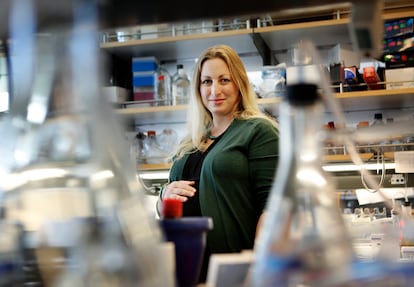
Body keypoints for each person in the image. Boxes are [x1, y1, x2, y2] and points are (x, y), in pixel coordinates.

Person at [156, 44, 279, 283]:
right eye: (207, 82)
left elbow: (272, 208)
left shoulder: (258, 130)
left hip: (233, 272)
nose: (215, 90)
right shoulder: (190, 141)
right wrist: (163, 198)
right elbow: (166, 205)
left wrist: (258, 268)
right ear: (198, 88)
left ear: (239, 83)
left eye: (224, 80)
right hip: (183, 269)